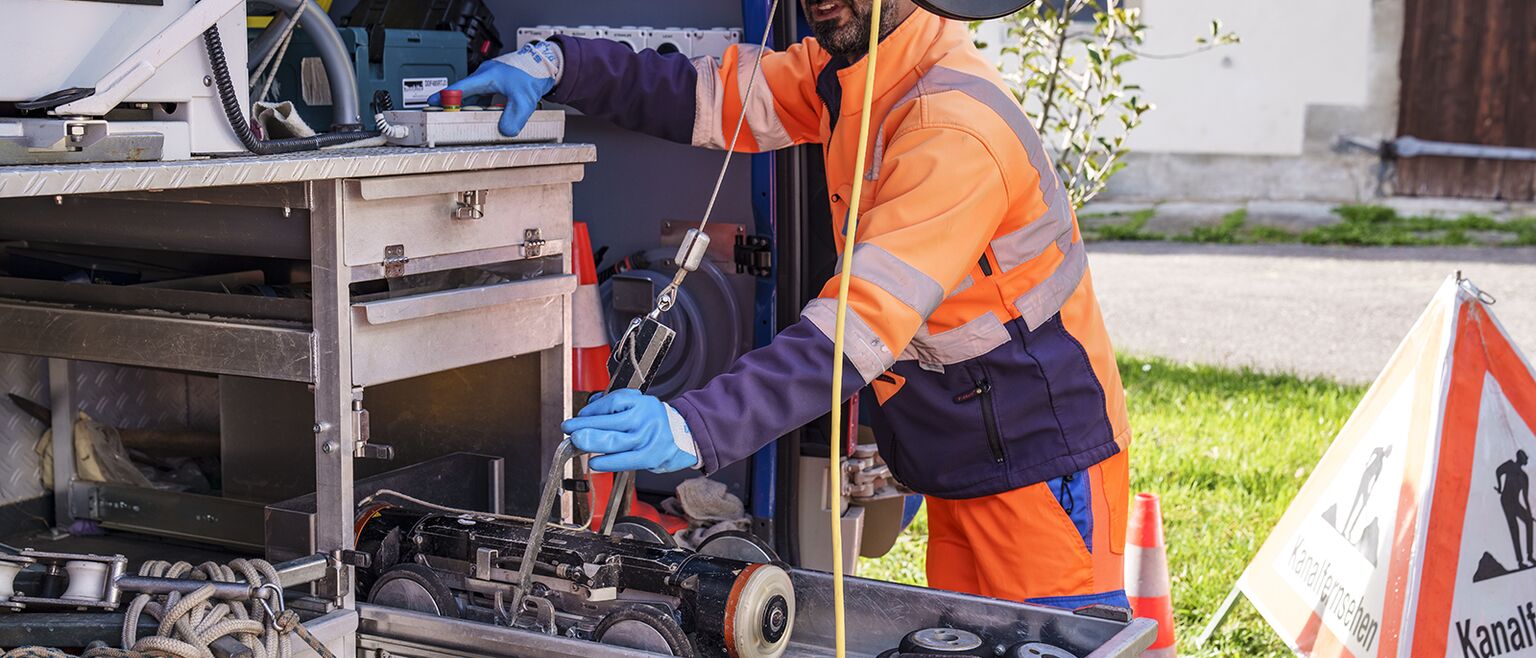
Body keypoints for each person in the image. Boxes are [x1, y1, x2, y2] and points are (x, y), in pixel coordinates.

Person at [437, 0, 1132, 608]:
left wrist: (694, 427)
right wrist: (561, 65)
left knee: (1050, 640)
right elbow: (703, 96)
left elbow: (850, 335)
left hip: (1043, 464)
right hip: (967, 450)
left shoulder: (953, 130)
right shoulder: (854, 73)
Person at [1495, 450, 1534, 569]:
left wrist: (1529, 514)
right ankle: (1520, 561)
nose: (1526, 460)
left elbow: (1525, 498)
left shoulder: (1524, 477)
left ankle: (1530, 556)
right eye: (1525, 457)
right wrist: (1500, 487)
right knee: (1514, 528)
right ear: (1520, 457)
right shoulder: (1510, 465)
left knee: (1529, 522)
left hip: (1515, 503)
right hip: (1506, 501)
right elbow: (1498, 471)